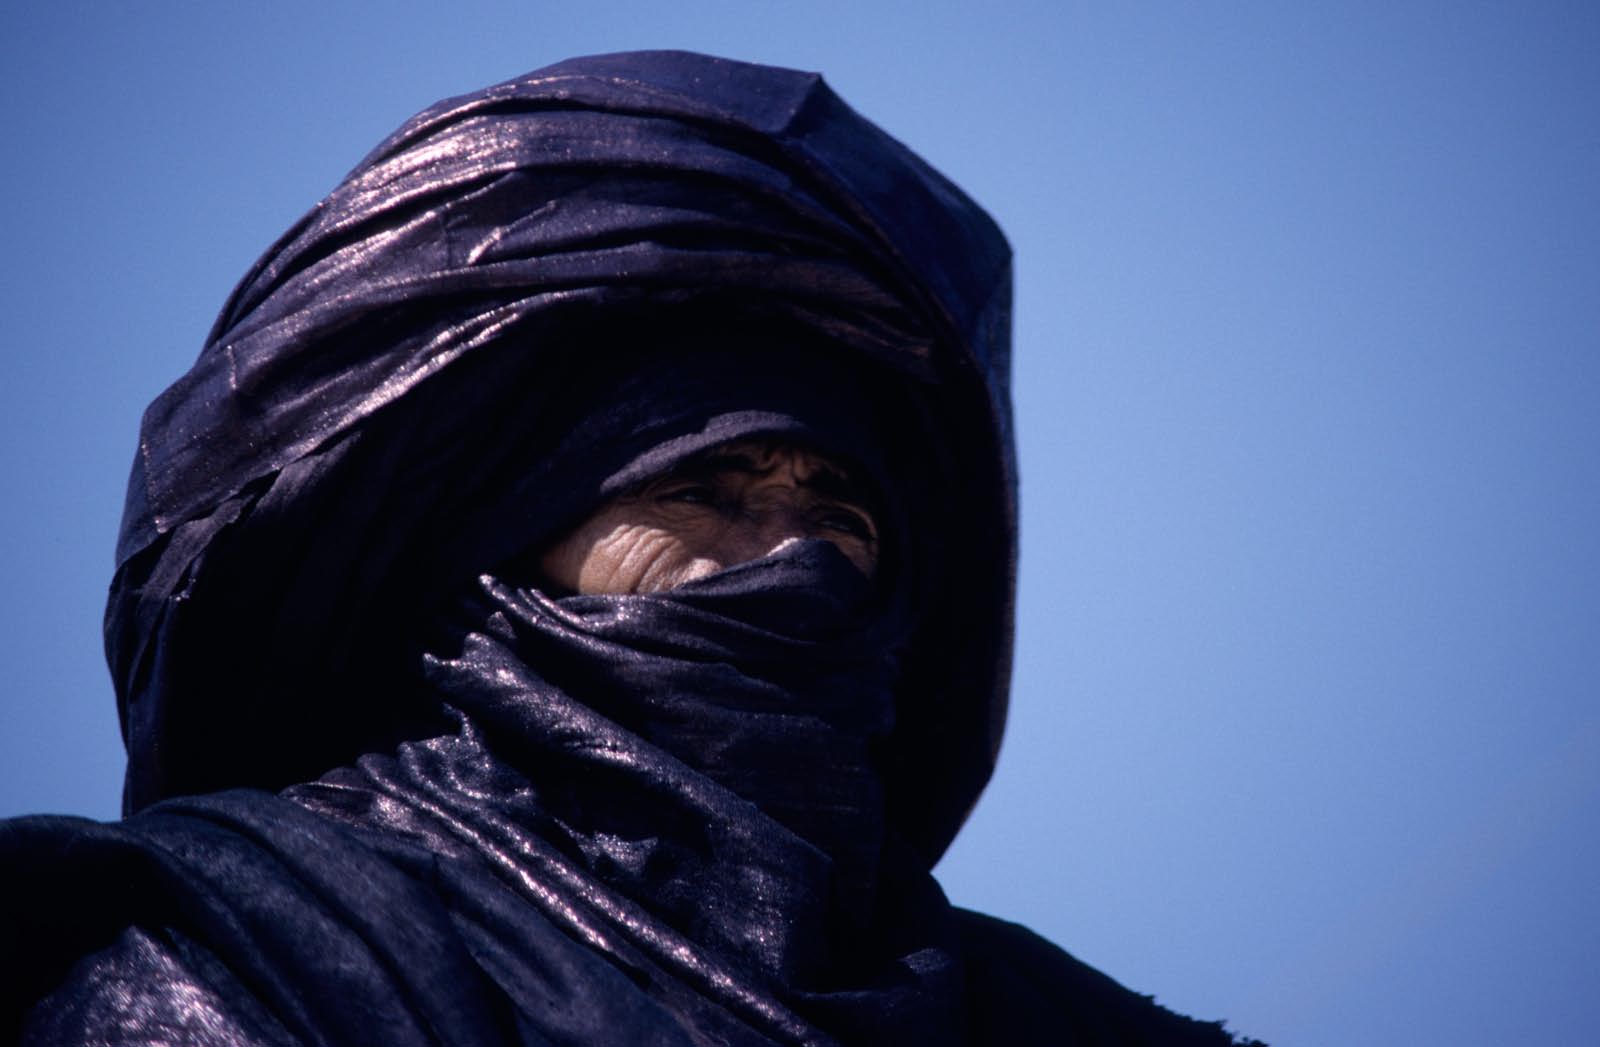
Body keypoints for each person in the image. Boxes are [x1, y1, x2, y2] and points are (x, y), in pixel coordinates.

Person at [1, 51, 1259, 1045]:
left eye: (840, 516)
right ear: (505, 540)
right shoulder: (216, 958)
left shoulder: (1042, 1017)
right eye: (701, 492)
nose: (792, 561)